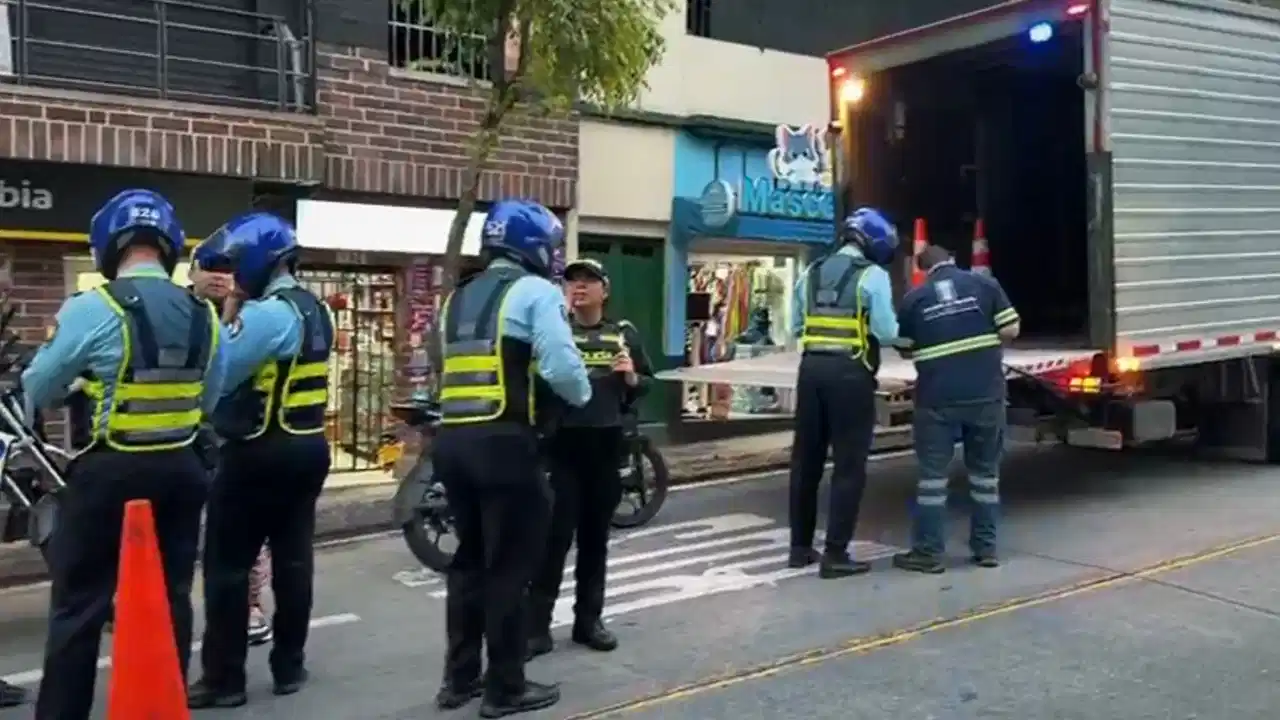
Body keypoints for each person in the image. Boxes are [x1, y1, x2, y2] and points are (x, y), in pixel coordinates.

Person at [24, 189, 226, 720]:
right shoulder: (203, 313)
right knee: (171, 594)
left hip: (108, 472)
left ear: (108, 245)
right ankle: (161, 702)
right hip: (182, 469)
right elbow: (210, 397)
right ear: (169, 246)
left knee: (81, 602)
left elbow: (39, 387)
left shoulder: (93, 306)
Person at [432, 199, 591, 718]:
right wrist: (581, 394)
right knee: (510, 567)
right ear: (535, 245)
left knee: (469, 562)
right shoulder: (535, 292)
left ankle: (459, 681)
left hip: (452, 444)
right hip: (505, 445)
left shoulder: (455, 299)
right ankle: (506, 689)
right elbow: (564, 367)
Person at [187, 212, 333, 708]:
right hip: (308, 445)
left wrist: (226, 308)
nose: (231, 272)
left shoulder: (268, 315)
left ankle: (224, 680)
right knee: (295, 562)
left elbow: (218, 373)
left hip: (258, 450)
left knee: (228, 566)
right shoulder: (316, 308)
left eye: (235, 262)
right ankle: (289, 666)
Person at [527, 258, 652, 658]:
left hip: (606, 447)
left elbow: (646, 384)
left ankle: (588, 622)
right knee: (554, 539)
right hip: (562, 446)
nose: (578, 287)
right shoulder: (554, 332)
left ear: (605, 291)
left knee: (595, 540)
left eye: (588, 280)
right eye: (572, 281)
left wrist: (632, 378)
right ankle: (536, 627)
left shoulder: (623, 334)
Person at [787, 207, 902, 578]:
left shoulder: (811, 271)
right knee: (849, 466)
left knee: (806, 463)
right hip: (850, 376)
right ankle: (835, 553)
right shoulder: (873, 276)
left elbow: (794, 325)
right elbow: (886, 332)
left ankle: (800, 548)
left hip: (810, 373)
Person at [892, 244, 1020, 574]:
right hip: (985, 396)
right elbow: (1011, 329)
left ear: (923, 270)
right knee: (985, 477)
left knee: (933, 479)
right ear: (952, 260)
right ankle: (986, 549)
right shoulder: (984, 285)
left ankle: (929, 553)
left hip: (937, 400)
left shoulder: (914, 300)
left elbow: (904, 349)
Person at [189, 263, 274, 646]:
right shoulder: (181, 309)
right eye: (207, 269)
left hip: (233, 437)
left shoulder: (251, 313)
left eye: (226, 270)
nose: (218, 276)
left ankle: (251, 607)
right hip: (185, 438)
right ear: (190, 272)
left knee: (243, 534)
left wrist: (231, 308)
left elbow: (229, 367)